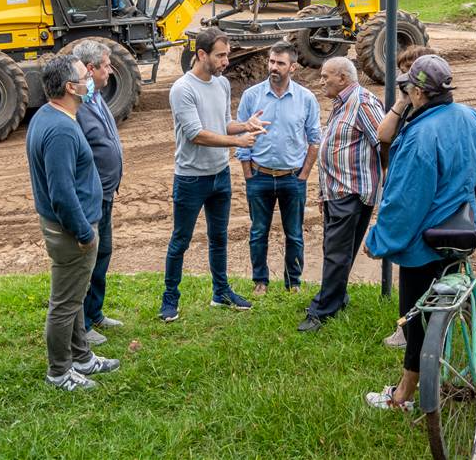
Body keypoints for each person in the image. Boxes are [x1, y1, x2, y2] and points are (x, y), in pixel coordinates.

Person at [363, 55, 476, 411]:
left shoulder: (419, 136)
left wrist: (379, 240)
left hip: (423, 244)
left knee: (416, 318)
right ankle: (444, 362)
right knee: (448, 299)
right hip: (462, 229)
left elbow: (404, 201)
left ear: (417, 92)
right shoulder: (471, 116)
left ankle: (402, 396)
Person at [26, 53, 121, 393]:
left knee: (75, 297)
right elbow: (62, 192)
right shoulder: (62, 129)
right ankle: (59, 372)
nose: (90, 80)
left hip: (68, 227)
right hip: (71, 231)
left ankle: (82, 357)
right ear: (70, 86)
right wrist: (83, 233)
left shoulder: (48, 115)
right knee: (65, 305)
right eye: (84, 76)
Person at [159, 27, 269, 322]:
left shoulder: (221, 85)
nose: (225, 61)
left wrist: (245, 126)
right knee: (180, 240)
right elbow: (197, 134)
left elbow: (223, 124)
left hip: (220, 174)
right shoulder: (183, 89)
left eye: (227, 55)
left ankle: (221, 292)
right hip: (191, 178)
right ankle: (170, 299)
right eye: (220, 56)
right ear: (201, 54)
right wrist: (238, 142)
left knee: (219, 237)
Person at [298, 57, 385, 332]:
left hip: (352, 192)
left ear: (343, 78)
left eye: (326, 76)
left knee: (336, 252)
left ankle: (323, 310)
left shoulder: (363, 103)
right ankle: (337, 297)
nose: (321, 81)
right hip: (338, 191)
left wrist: (381, 178)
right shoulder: (342, 103)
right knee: (336, 250)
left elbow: (384, 141)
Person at [236, 41, 321, 295]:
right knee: (258, 232)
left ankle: (293, 283)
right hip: (259, 177)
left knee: (294, 234)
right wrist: (248, 174)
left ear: (292, 67)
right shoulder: (252, 96)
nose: (273, 67)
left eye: (280, 63)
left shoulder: (306, 99)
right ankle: (259, 281)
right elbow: (242, 136)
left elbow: (315, 139)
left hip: (292, 179)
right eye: (272, 61)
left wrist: (303, 175)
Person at [377, 44, 438, 350]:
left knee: (421, 265)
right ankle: (409, 327)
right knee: (410, 267)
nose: (403, 79)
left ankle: (421, 330)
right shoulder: (407, 107)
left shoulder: (434, 111)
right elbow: (383, 135)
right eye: (401, 72)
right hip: (405, 190)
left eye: (408, 73)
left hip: (424, 199)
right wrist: (401, 102)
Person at [73, 40, 125, 347]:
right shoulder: (78, 104)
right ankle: (80, 324)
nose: (110, 69)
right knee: (86, 262)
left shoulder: (95, 96)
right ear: (90, 69)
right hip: (91, 196)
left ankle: (94, 313)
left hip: (105, 193)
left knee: (102, 253)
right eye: (106, 65)